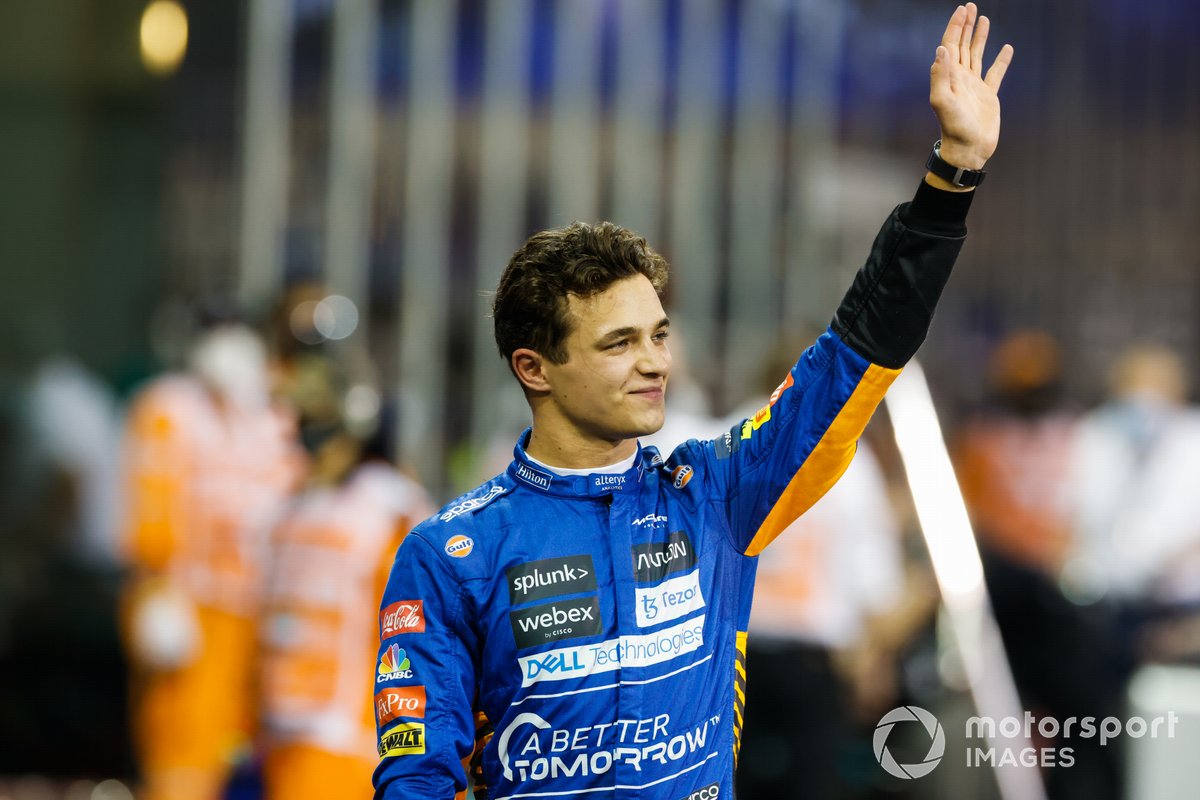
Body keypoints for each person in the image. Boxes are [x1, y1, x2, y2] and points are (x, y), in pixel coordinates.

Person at [373, 5, 1012, 799]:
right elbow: (416, 779)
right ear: (534, 368)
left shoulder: (714, 494)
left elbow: (851, 359)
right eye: (619, 344)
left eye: (658, 334)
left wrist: (951, 176)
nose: (655, 364)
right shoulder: (448, 554)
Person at [120, 318, 304, 800]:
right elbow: (152, 504)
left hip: (265, 613)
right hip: (194, 606)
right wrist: (155, 589)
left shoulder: (279, 414)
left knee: (256, 752)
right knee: (184, 749)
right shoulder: (170, 406)